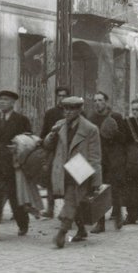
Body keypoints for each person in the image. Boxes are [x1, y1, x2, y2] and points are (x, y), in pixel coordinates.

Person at [44, 96, 102, 248]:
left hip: (80, 169)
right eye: (65, 109)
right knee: (76, 202)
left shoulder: (90, 129)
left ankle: (62, 233)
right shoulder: (59, 125)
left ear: (80, 110)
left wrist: (97, 181)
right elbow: (47, 145)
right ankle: (81, 230)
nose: (68, 112)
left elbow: (95, 156)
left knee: (71, 199)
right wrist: (51, 135)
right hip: (62, 168)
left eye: (72, 109)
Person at [0, 90, 33, 243]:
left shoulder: (21, 120)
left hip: (13, 166)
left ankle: (23, 224)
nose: (1, 102)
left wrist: (18, 148)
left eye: (5, 99)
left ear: (13, 102)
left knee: (15, 199)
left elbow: (29, 141)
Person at [86, 91, 126, 232]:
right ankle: (100, 223)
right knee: (98, 190)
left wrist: (115, 132)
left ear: (106, 102)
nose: (97, 103)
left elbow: (124, 139)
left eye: (100, 100)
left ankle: (119, 214)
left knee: (114, 189)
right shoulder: (91, 119)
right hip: (99, 159)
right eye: (95, 100)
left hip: (113, 159)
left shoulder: (116, 117)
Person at [39, 86, 70, 219]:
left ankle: (66, 209)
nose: (62, 98)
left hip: (68, 151)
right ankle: (50, 209)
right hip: (53, 150)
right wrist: (42, 143)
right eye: (59, 95)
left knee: (69, 180)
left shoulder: (73, 112)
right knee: (51, 179)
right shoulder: (51, 113)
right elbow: (44, 131)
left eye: (64, 95)